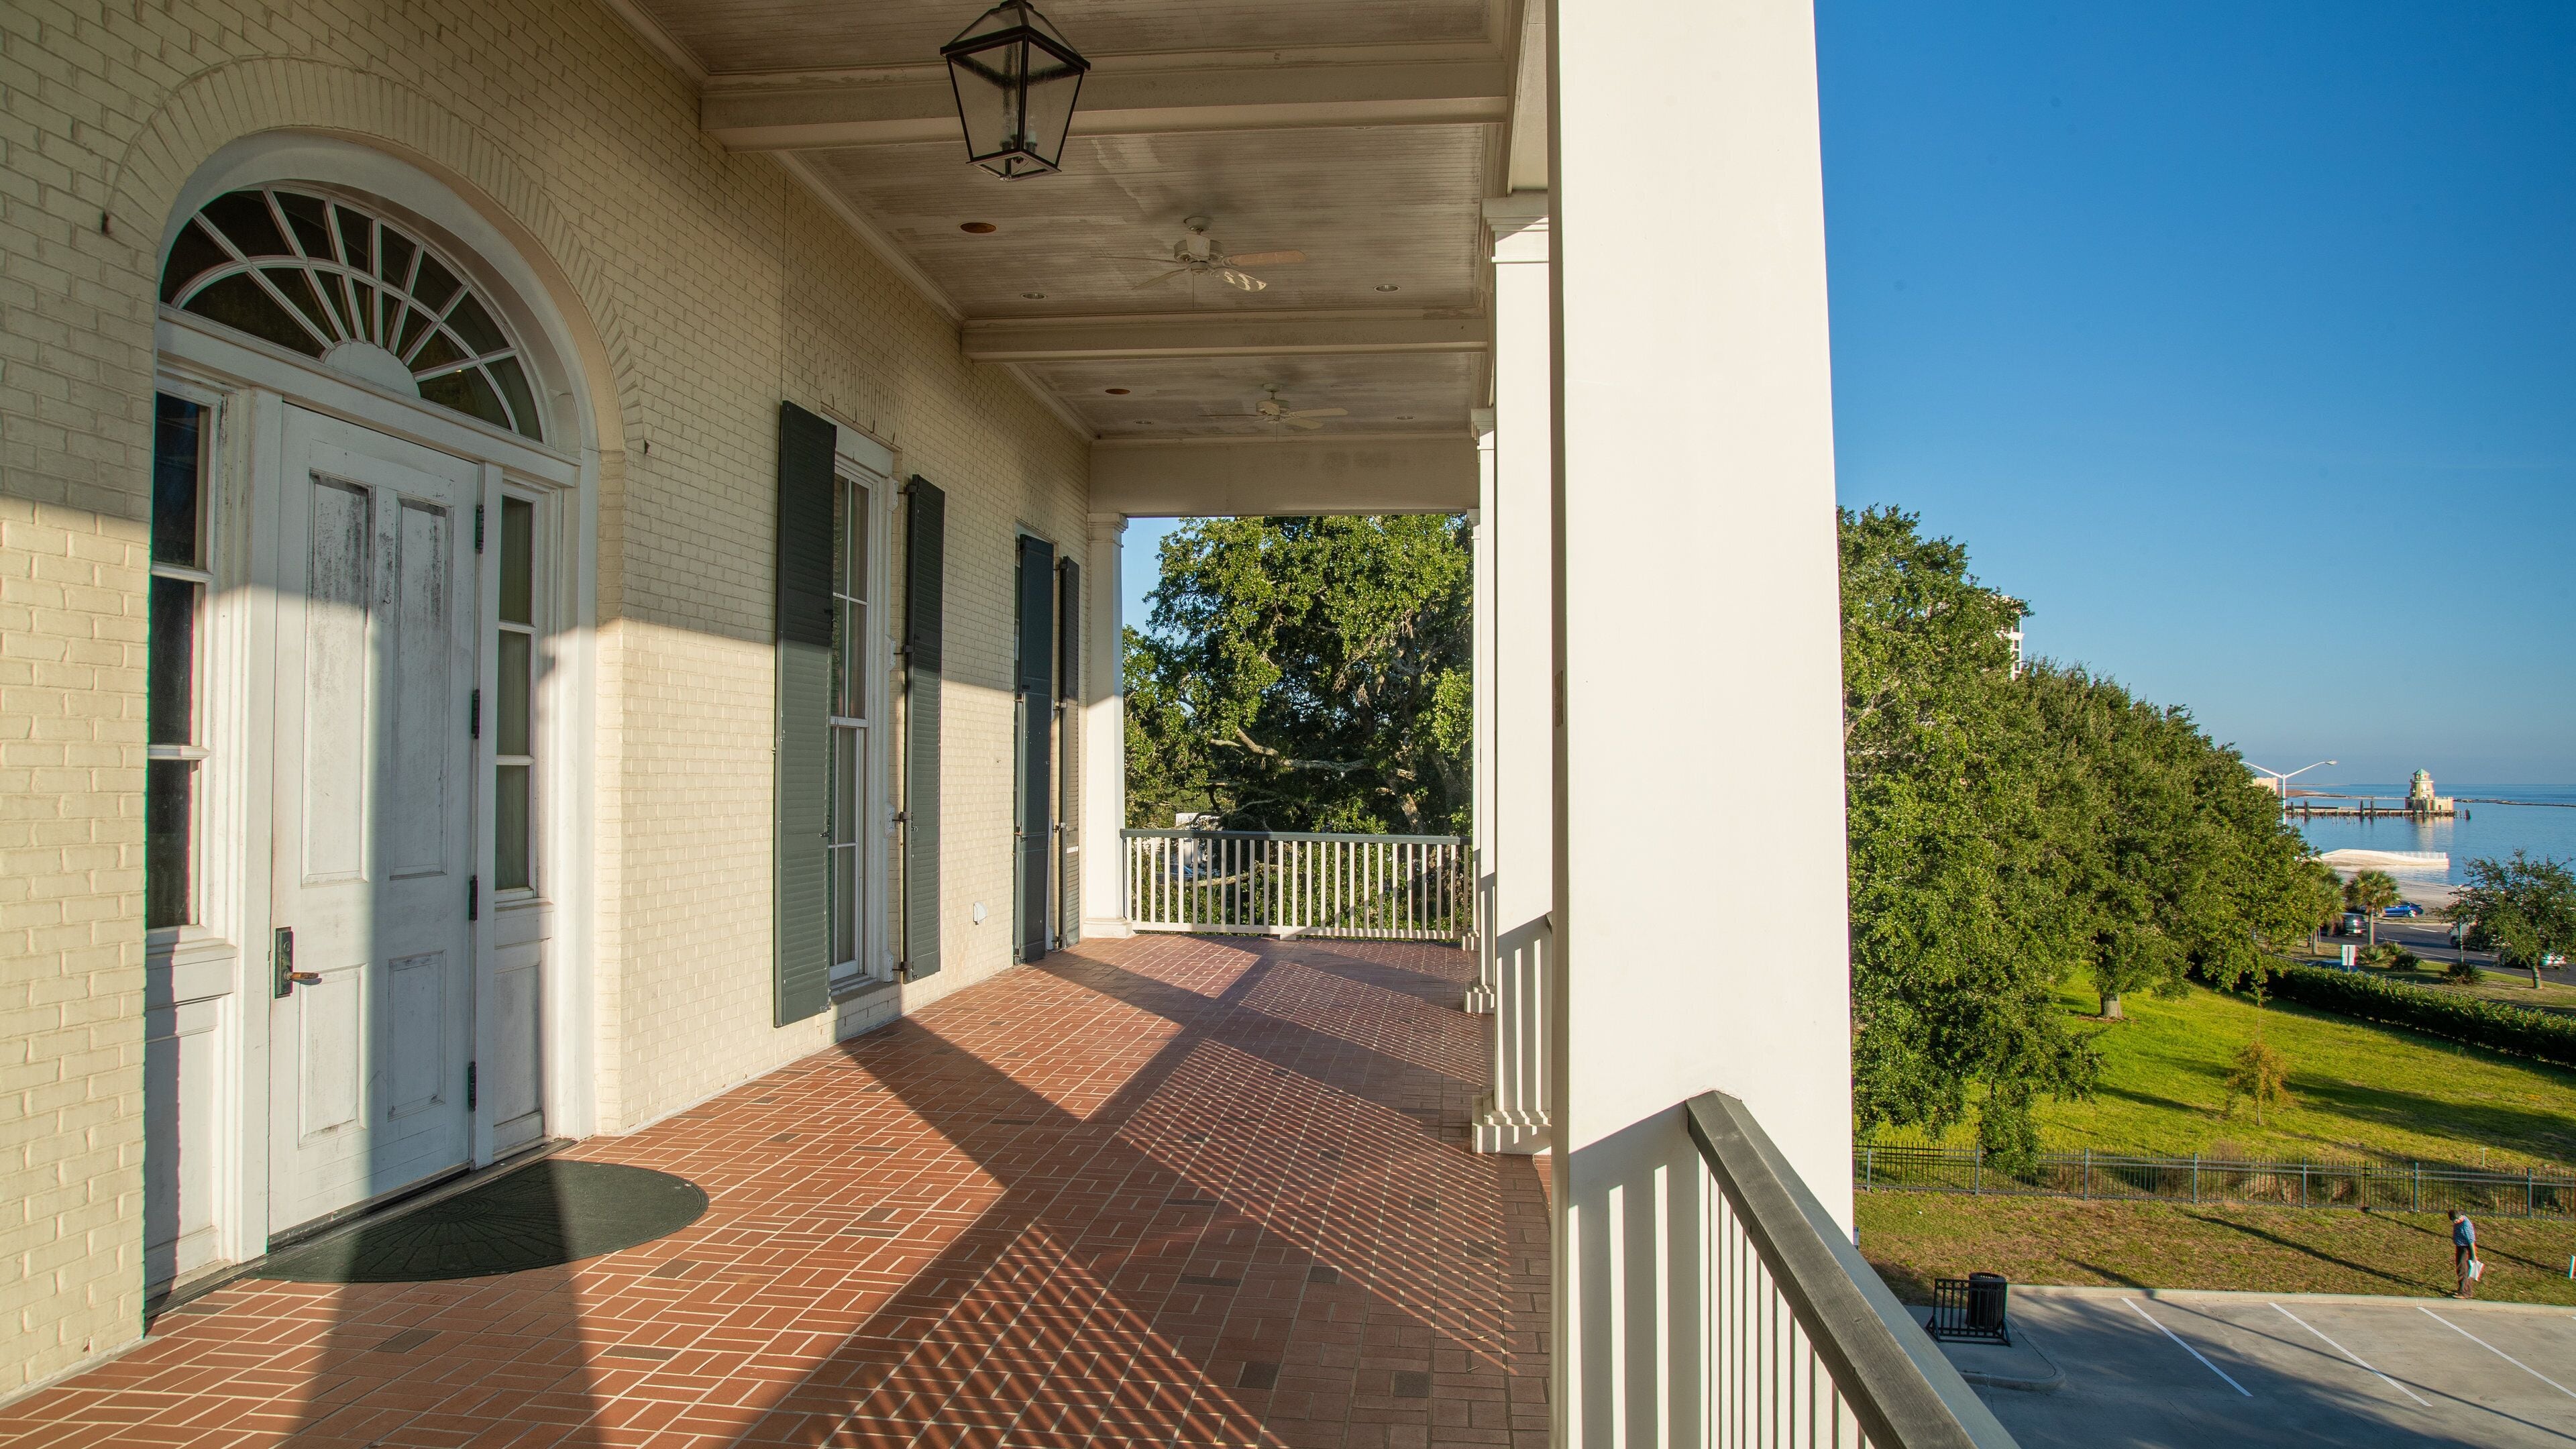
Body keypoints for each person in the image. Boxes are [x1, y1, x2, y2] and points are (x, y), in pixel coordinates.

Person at [2450, 1210, 2478, 1299]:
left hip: (2465, 1248)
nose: (2455, 1223)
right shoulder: (2461, 1222)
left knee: (2463, 1270)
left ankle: (2465, 1292)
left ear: (2459, 1217)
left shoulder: (2465, 1226)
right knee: (2461, 1269)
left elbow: (2471, 1242)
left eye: (2456, 1220)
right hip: (2460, 1247)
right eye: (2453, 1221)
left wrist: (2473, 1255)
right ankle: (2464, 1290)